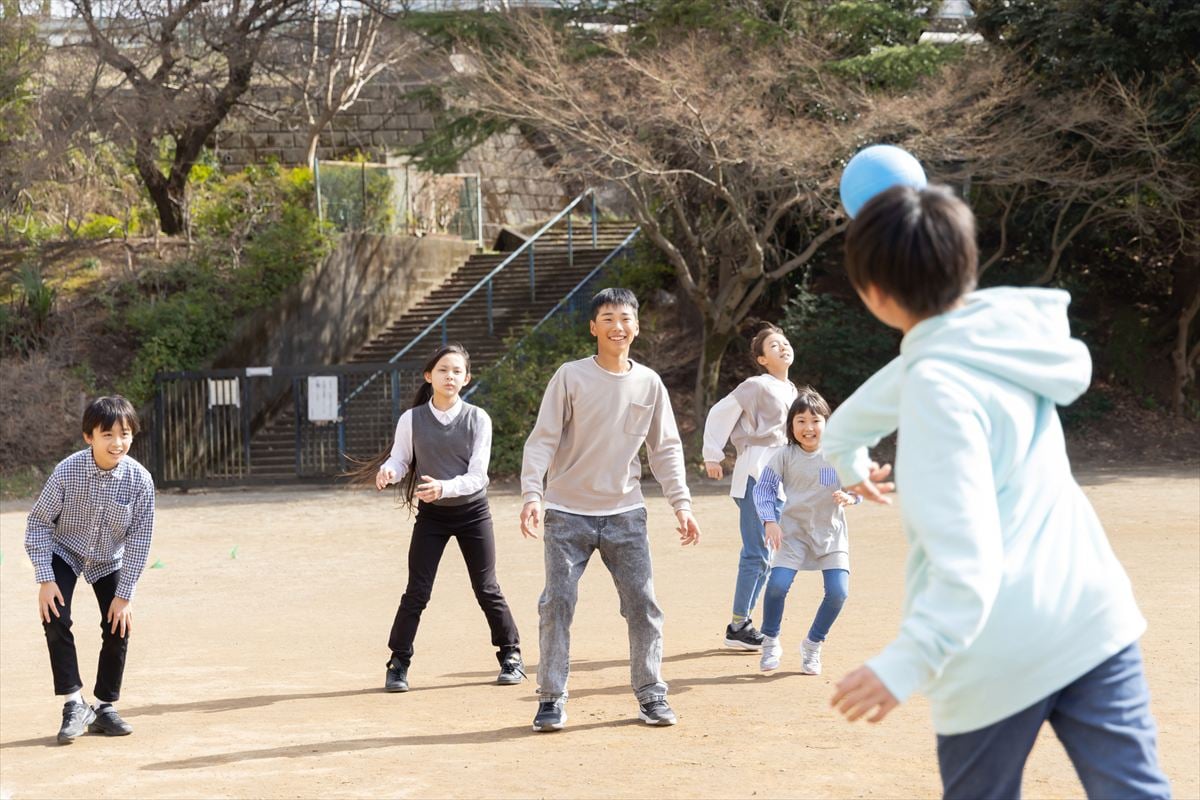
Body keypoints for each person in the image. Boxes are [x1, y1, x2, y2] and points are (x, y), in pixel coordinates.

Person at [824, 184, 1170, 799]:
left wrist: (905, 662)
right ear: (966, 263)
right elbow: (854, 419)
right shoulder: (1006, 336)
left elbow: (966, 556)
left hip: (994, 652)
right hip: (1091, 616)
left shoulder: (933, 386)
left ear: (874, 295)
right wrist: (849, 457)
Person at [520, 287, 701, 732]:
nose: (617, 326)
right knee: (557, 603)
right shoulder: (570, 376)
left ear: (636, 326)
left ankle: (651, 694)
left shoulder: (649, 383)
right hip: (566, 513)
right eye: (607, 318)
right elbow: (543, 438)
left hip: (626, 514)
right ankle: (551, 698)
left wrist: (682, 504)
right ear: (593, 327)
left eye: (625, 318)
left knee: (643, 605)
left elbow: (666, 450)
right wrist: (532, 494)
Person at [369, 343, 523, 693]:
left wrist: (445, 487)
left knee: (487, 587)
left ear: (466, 379)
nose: (449, 376)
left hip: (472, 513)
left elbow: (478, 476)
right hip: (432, 517)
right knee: (417, 592)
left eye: (456, 371)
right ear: (429, 376)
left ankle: (511, 654)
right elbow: (400, 460)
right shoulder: (412, 419)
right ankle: (398, 663)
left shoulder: (478, 418)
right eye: (442, 370)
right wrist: (387, 472)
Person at [24, 395, 155, 744]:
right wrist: (45, 577)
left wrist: (124, 595)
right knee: (54, 616)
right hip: (64, 551)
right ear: (89, 437)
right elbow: (38, 524)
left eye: (125, 434)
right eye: (107, 434)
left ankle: (104, 706)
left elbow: (140, 542)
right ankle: (73, 703)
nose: (118, 443)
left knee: (119, 623)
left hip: (108, 558)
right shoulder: (67, 472)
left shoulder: (141, 481)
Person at [702, 324, 798, 650]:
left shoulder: (793, 390)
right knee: (756, 553)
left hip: (779, 478)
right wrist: (713, 455)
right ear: (761, 358)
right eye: (774, 345)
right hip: (756, 471)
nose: (783, 347)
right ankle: (738, 624)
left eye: (784, 342)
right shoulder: (756, 385)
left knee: (767, 556)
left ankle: (742, 623)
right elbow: (720, 412)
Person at [752, 388, 859, 674]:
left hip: (831, 535)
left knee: (838, 593)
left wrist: (850, 497)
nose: (808, 428)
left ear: (827, 423)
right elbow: (763, 489)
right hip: (792, 534)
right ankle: (771, 641)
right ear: (791, 426)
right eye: (801, 421)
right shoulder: (784, 456)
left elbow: (857, 485)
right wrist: (769, 520)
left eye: (815, 420)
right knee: (776, 587)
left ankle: (812, 645)